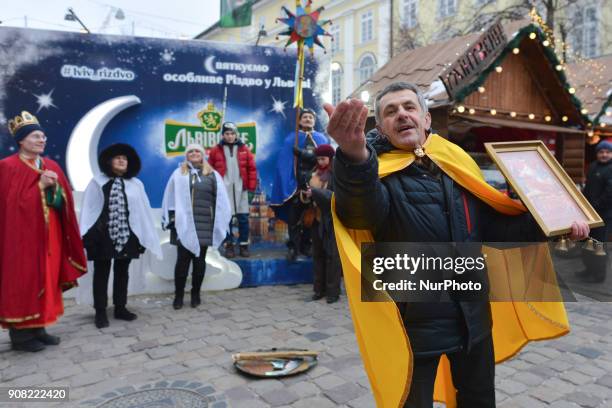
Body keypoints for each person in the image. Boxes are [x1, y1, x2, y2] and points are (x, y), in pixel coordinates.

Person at [326, 82, 590, 407]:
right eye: (391, 111)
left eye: (409, 107)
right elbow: (359, 213)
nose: (402, 115)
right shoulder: (375, 174)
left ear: (425, 119)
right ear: (380, 127)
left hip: (473, 318)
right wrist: (354, 158)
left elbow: (496, 228)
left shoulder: (455, 163)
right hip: (414, 325)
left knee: (478, 401)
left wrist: (555, 225)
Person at [0, 111, 87, 352]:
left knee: (47, 280)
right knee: (23, 281)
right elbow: (9, 207)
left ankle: (40, 328)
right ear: (21, 140)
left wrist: (55, 189)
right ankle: (21, 337)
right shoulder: (7, 167)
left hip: (51, 237)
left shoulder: (51, 165)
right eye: (36, 136)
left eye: (43, 136)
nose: (42, 140)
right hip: (21, 240)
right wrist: (39, 186)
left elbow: (63, 202)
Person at [80, 143, 162, 328]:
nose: (121, 161)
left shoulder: (136, 184)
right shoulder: (97, 182)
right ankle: (100, 311)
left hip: (127, 235)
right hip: (102, 236)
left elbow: (142, 211)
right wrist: (87, 234)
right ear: (109, 161)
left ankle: (120, 307)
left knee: (122, 272)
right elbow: (89, 209)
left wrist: (143, 235)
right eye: (117, 158)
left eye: (124, 159)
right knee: (101, 273)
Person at [162, 144, 231, 309]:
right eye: (191, 151)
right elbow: (170, 196)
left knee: (199, 260)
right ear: (187, 155)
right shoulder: (178, 174)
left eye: (197, 151)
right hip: (182, 224)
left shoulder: (212, 175)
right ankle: (178, 296)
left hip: (204, 223)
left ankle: (195, 294)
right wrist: (171, 218)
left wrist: (220, 221)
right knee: (182, 261)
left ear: (202, 155)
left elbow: (221, 200)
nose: (194, 153)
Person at [271, 108, 328, 260]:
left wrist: (305, 154)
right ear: (300, 121)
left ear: (314, 121)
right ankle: (293, 247)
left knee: (311, 218)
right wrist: (288, 182)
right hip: (296, 185)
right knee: (294, 218)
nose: (308, 119)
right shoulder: (292, 138)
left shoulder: (321, 138)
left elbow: (325, 160)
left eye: (310, 117)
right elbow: (284, 163)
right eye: (305, 117)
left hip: (314, 184)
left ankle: (306, 245)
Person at [208, 122, 257, 258]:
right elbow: (209, 170)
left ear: (236, 135)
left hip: (242, 188)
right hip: (224, 189)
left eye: (232, 133)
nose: (230, 136)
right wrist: (213, 187)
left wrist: (251, 189)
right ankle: (229, 245)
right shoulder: (215, 150)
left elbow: (252, 169)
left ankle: (243, 245)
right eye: (227, 133)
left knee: (243, 219)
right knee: (226, 219)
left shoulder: (244, 149)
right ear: (223, 135)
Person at [303, 144, 342, 304]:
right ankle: (318, 290)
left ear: (330, 158)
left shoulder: (337, 174)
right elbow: (306, 196)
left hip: (332, 220)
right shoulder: (313, 174)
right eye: (318, 158)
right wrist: (305, 195)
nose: (320, 161)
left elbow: (336, 197)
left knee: (333, 257)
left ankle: (333, 293)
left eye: (323, 158)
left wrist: (316, 192)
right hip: (316, 220)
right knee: (317, 256)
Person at [578, 139, 611, 283]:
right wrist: (582, 204)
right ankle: (588, 269)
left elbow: (610, 194)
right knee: (587, 243)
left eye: (607, 152)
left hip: (603, 216)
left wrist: (594, 207)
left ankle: (599, 275)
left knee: (599, 246)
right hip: (589, 214)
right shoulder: (592, 167)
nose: (604, 155)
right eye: (601, 152)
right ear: (597, 154)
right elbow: (587, 188)